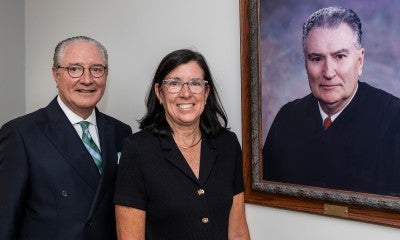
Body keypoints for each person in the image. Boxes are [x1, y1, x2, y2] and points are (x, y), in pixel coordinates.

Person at [0, 36, 132, 239]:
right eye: (75, 69)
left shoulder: (121, 132)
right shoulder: (21, 134)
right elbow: (5, 220)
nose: (87, 79)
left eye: (96, 69)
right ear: (56, 74)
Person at [262, 6, 400, 195]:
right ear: (305, 62)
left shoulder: (394, 119)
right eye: (316, 58)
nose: (328, 72)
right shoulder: (287, 118)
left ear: (359, 61)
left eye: (340, 56)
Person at [114, 49, 250, 239]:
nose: (186, 93)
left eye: (195, 83)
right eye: (174, 83)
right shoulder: (137, 149)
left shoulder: (227, 144)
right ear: (159, 93)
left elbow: (237, 232)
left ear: (206, 92)